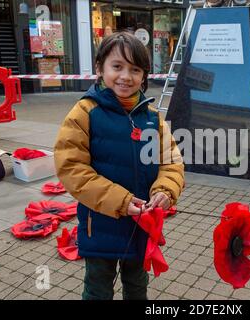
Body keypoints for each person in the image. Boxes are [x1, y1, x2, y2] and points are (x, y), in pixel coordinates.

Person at [54, 32, 185, 300]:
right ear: (100, 68)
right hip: (99, 225)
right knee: (98, 289)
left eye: (135, 69)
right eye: (117, 66)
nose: (126, 76)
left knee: (137, 286)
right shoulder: (84, 112)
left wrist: (165, 191)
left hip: (141, 226)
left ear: (144, 76)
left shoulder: (152, 119)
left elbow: (171, 161)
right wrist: (121, 201)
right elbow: (72, 169)